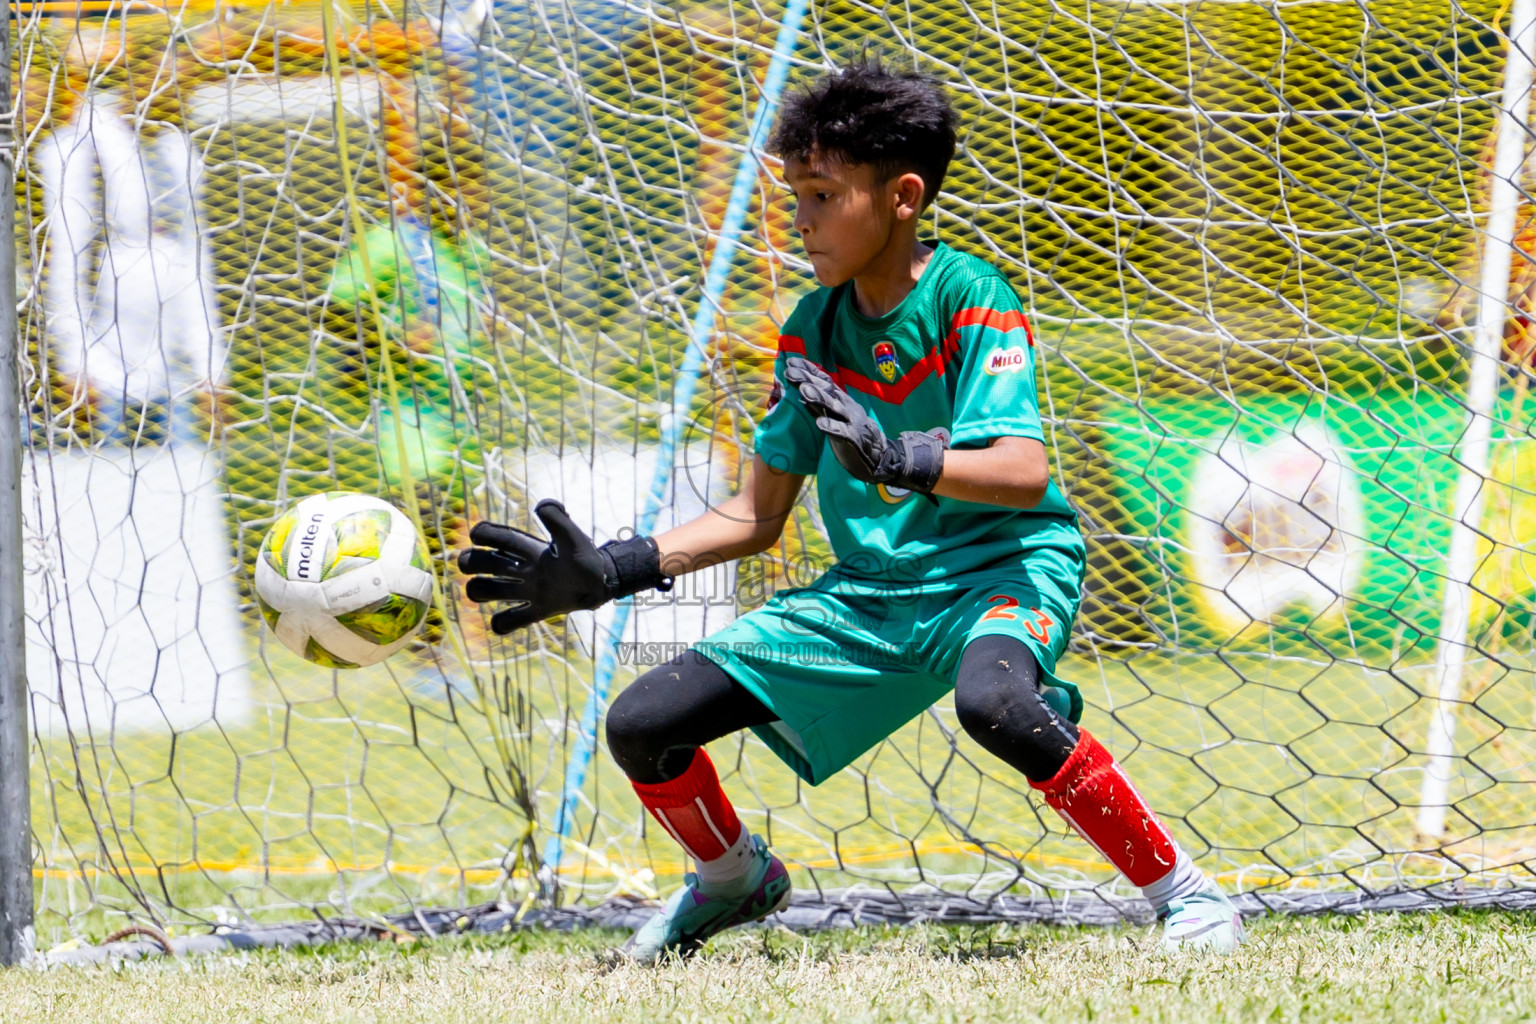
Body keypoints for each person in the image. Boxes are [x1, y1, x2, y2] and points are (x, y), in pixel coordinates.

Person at [457, 60, 1245, 962]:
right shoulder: (811, 328)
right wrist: (617, 570)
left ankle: (1184, 895)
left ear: (902, 196)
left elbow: (1024, 472)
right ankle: (732, 879)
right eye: (796, 194)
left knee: (994, 701)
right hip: (868, 595)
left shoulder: (969, 296)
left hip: (999, 571)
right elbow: (756, 516)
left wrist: (901, 458)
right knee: (642, 723)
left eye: (824, 194)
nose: (801, 219)